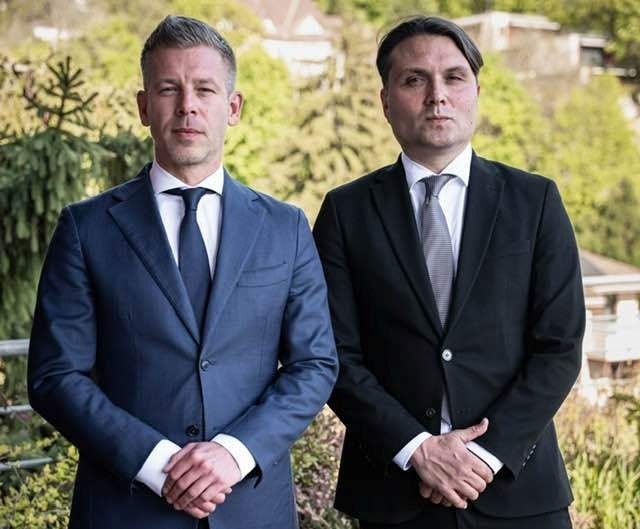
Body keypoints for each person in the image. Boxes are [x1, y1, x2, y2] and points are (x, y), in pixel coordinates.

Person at [28, 14, 338, 529]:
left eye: (204, 89)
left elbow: (315, 364)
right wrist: (158, 464)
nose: (187, 105)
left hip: (251, 509)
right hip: (125, 509)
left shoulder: (285, 226)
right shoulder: (86, 228)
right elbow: (55, 375)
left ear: (232, 107)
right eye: (168, 88)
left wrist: (233, 454)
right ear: (144, 107)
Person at [313, 15, 585, 529]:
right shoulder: (346, 212)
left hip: (518, 491)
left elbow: (559, 345)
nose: (437, 95)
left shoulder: (535, 201)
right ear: (386, 101)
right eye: (414, 79)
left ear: (476, 92)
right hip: (395, 494)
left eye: (454, 77)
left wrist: (484, 455)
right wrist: (416, 448)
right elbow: (333, 354)